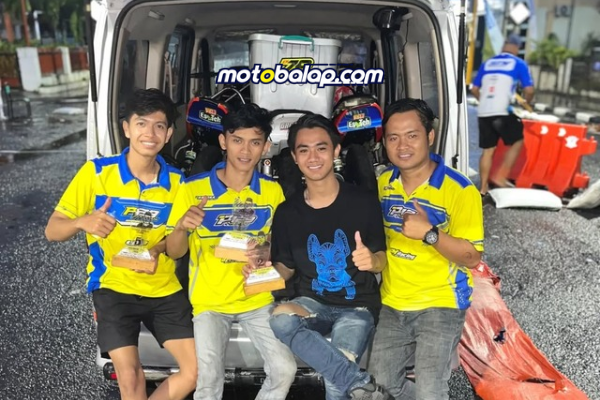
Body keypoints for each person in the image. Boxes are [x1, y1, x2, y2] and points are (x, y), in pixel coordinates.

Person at [45, 88, 197, 400]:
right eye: (141, 123)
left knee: (197, 370)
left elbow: (177, 251)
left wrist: (180, 229)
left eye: (159, 126)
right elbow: (52, 231)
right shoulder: (97, 173)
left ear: (169, 134)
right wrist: (82, 222)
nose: (149, 134)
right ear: (126, 128)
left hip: (162, 288)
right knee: (130, 376)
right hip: (113, 286)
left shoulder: (177, 183)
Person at [165, 103, 297, 400]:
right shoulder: (191, 189)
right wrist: (182, 227)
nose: (245, 150)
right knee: (209, 382)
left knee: (284, 369)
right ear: (223, 141)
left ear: (266, 147)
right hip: (209, 302)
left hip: (257, 298)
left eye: (255, 142)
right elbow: (174, 253)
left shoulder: (272, 191)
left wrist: (262, 255)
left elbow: (276, 245)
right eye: (237, 140)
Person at [258, 113, 392, 400]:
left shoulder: (363, 202)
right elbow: (285, 268)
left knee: (334, 380)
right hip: (311, 301)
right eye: (304, 150)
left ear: (335, 150)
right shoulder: (287, 212)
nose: (313, 157)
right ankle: (359, 384)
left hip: (357, 306)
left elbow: (381, 256)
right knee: (280, 319)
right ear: (294, 157)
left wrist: (372, 261)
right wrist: (261, 273)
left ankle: (354, 383)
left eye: (321, 148)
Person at [368, 98, 484, 400]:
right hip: (393, 302)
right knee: (382, 386)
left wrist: (430, 234)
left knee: (430, 391)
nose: (402, 146)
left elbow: (472, 257)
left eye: (412, 135)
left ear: (430, 136)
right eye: (393, 138)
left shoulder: (460, 189)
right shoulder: (384, 182)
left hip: (441, 303)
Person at [471, 33, 535, 195]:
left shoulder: (488, 63)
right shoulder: (518, 63)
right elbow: (529, 90)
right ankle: (501, 176)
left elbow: (474, 89)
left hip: (484, 111)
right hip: (502, 111)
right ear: (516, 48)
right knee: (518, 140)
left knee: (488, 150)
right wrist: (526, 102)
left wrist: (483, 101)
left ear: (503, 46)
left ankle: (483, 188)